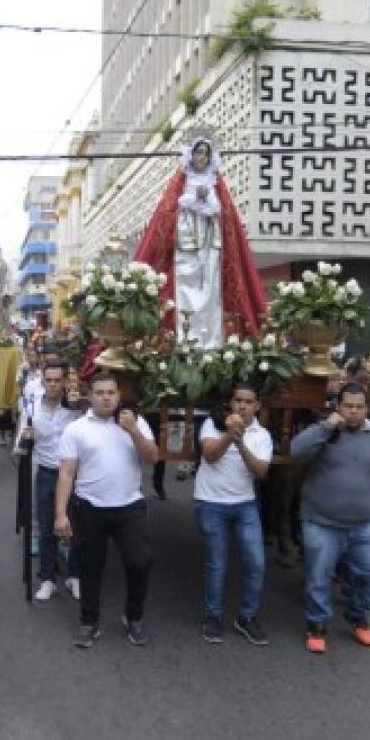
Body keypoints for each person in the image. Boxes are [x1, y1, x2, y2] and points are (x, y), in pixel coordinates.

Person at [291, 383, 370, 654]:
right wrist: (327, 426)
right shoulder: (322, 433)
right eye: (347, 406)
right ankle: (317, 625)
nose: (352, 412)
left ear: (367, 409)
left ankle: (357, 616)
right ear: (338, 407)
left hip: (363, 523)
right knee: (319, 575)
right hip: (320, 520)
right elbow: (296, 451)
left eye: (358, 407)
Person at [54, 372, 159, 649]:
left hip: (129, 507)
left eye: (110, 393)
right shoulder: (77, 429)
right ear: (90, 395)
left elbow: (153, 458)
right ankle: (89, 622)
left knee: (140, 561)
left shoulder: (135, 422)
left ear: (118, 395)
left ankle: (133, 617)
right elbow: (66, 473)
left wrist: (133, 430)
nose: (105, 397)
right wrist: (61, 514)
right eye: (100, 393)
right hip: (89, 507)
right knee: (90, 568)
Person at [132, 133, 267, 346]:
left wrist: (204, 201)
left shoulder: (215, 182)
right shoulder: (183, 181)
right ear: (191, 155)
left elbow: (219, 209)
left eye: (206, 153)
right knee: (185, 287)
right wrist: (196, 198)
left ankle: (211, 343)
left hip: (210, 242)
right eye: (198, 153)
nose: (202, 157)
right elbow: (174, 207)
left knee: (211, 291)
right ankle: (185, 340)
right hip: (186, 243)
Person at [194, 384, 273, 645]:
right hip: (211, 501)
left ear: (257, 406)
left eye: (248, 402)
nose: (242, 406)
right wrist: (230, 434)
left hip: (244, 504)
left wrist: (241, 444)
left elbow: (261, 471)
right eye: (238, 400)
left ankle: (246, 617)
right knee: (216, 564)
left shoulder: (262, 435)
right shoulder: (211, 424)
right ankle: (213, 617)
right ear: (231, 403)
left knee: (256, 563)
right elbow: (210, 454)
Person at [19, 362, 83, 602]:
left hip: (74, 474)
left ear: (65, 381)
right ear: (43, 381)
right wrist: (26, 438)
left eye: (58, 380)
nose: (53, 384)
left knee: (75, 526)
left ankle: (74, 575)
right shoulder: (32, 408)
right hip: (46, 472)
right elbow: (23, 438)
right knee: (47, 528)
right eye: (49, 380)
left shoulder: (76, 408)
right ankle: (47, 578)